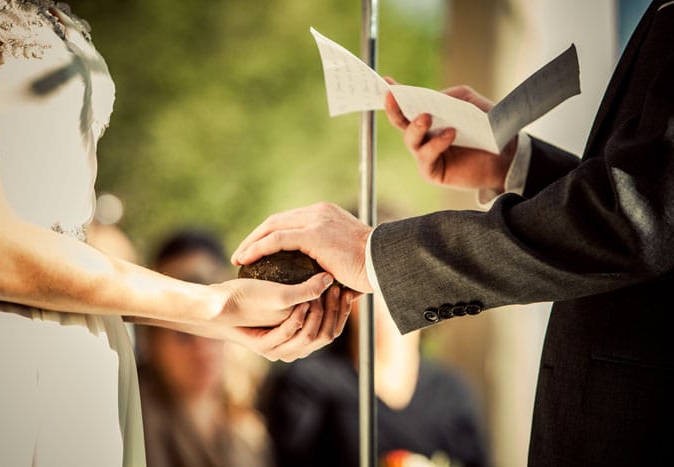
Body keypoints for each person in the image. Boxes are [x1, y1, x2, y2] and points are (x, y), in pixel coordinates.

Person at [233, 1, 674, 465]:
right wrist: (516, 163)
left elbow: (640, 217)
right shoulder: (311, 386)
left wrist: (374, 253)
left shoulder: (451, 392)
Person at [0, 2, 351, 466]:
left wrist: (230, 321)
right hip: (2, 356)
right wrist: (216, 304)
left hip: (88, 346)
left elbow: (63, 252)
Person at [260, 290, 491, 467]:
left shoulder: (451, 392)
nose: (384, 302)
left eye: (399, 287)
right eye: (368, 287)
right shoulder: (309, 383)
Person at [136, 229, 274, 467]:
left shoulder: (248, 426)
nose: (202, 346)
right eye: (184, 331)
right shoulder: (135, 417)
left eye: (215, 328)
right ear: (153, 336)